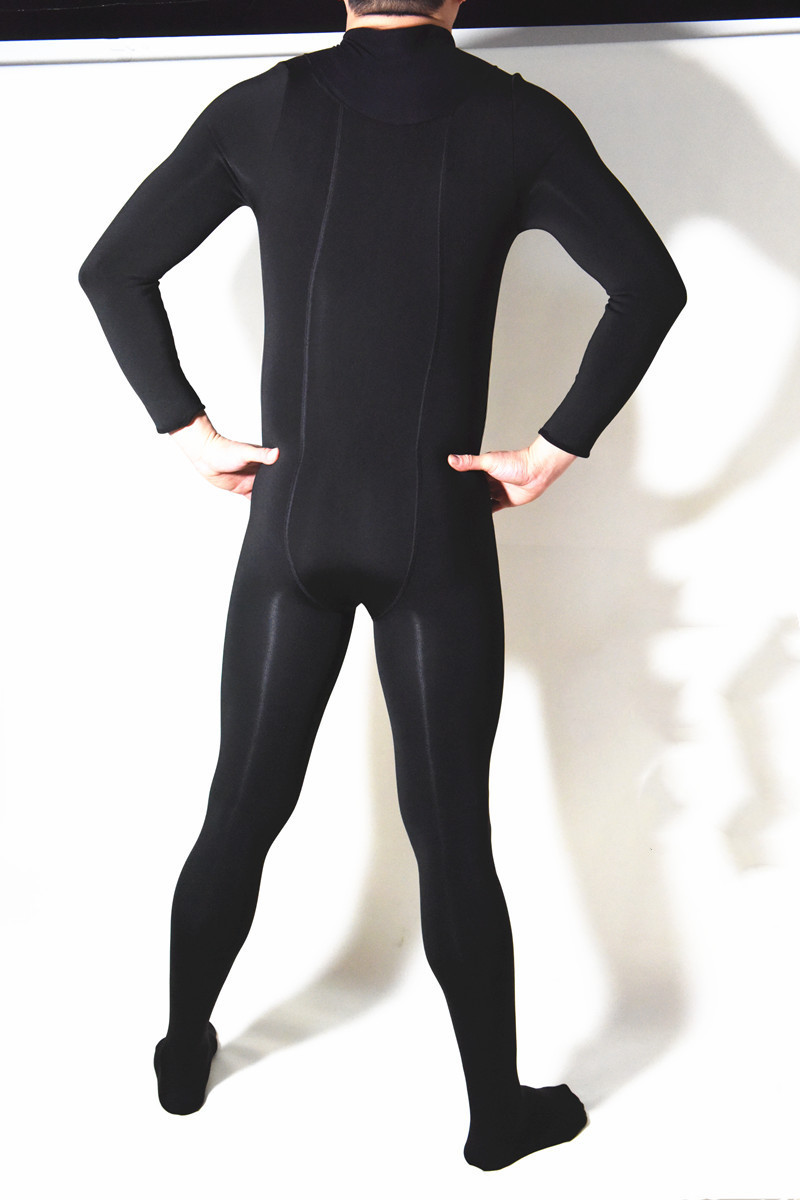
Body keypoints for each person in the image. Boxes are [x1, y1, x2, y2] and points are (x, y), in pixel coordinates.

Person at [78, 0, 686, 1171]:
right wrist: (550, 450)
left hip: (291, 526)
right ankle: (496, 1116)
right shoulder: (516, 122)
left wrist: (186, 430)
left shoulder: (266, 108)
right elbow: (648, 286)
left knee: (239, 810)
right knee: (452, 836)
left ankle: (183, 1052)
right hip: (435, 536)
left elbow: (112, 270)